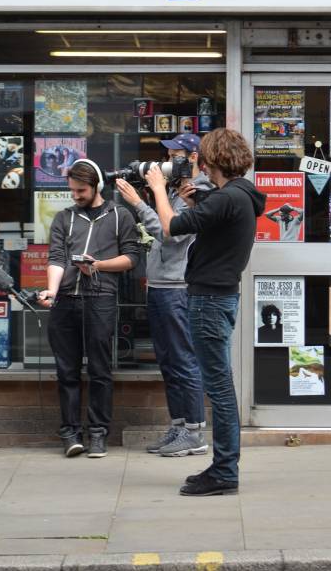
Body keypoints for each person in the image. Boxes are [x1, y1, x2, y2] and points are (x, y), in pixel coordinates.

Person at [145, 127, 266, 497]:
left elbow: (170, 226)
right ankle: (221, 466)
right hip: (219, 298)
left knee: (220, 389)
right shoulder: (239, 195)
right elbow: (214, 223)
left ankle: (225, 471)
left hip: (209, 301)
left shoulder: (227, 197)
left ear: (211, 160)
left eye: (202, 159)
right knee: (220, 385)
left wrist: (156, 189)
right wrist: (196, 203)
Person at [114, 133, 213, 458]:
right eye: (167, 156)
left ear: (194, 157)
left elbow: (171, 235)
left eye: (176, 155)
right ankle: (180, 425)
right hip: (159, 285)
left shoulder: (199, 191)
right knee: (169, 362)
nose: (166, 163)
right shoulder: (171, 190)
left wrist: (140, 204)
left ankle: (196, 432)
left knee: (184, 359)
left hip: (177, 288)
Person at [36, 160, 141, 459]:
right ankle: (70, 434)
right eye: (72, 190)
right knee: (66, 371)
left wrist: (97, 265)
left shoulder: (120, 216)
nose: (76, 195)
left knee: (99, 370)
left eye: (81, 190)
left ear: (97, 185)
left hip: (100, 298)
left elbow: (132, 258)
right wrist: (52, 291)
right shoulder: (63, 218)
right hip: (66, 299)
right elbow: (56, 257)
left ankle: (98, 434)